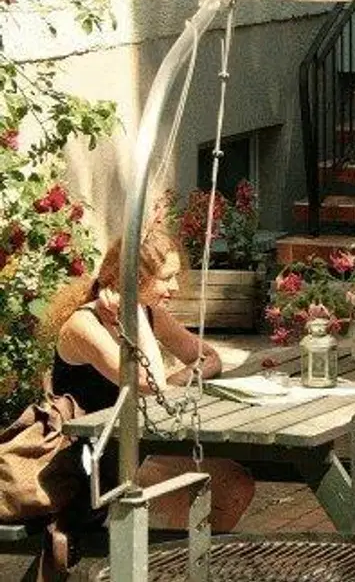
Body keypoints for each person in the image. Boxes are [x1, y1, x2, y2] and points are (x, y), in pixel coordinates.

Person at [46, 227, 255, 531]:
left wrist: (178, 379)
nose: (175, 287)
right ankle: (169, 556)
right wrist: (135, 314)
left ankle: (191, 558)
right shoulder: (84, 326)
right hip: (91, 464)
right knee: (192, 489)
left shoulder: (150, 312)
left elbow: (209, 357)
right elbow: (149, 383)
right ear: (136, 279)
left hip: (133, 449)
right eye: (166, 278)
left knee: (236, 482)